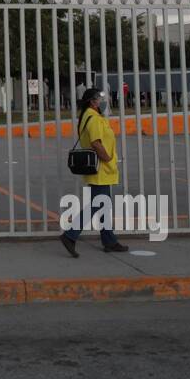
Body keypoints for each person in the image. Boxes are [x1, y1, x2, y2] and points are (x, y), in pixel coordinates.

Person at [60, 86, 129, 256]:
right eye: (99, 98)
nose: (102, 101)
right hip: (101, 169)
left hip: (98, 169)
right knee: (99, 204)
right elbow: (96, 143)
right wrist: (107, 159)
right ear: (92, 102)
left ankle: (109, 241)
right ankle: (70, 235)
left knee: (103, 205)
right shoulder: (94, 119)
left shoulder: (87, 117)